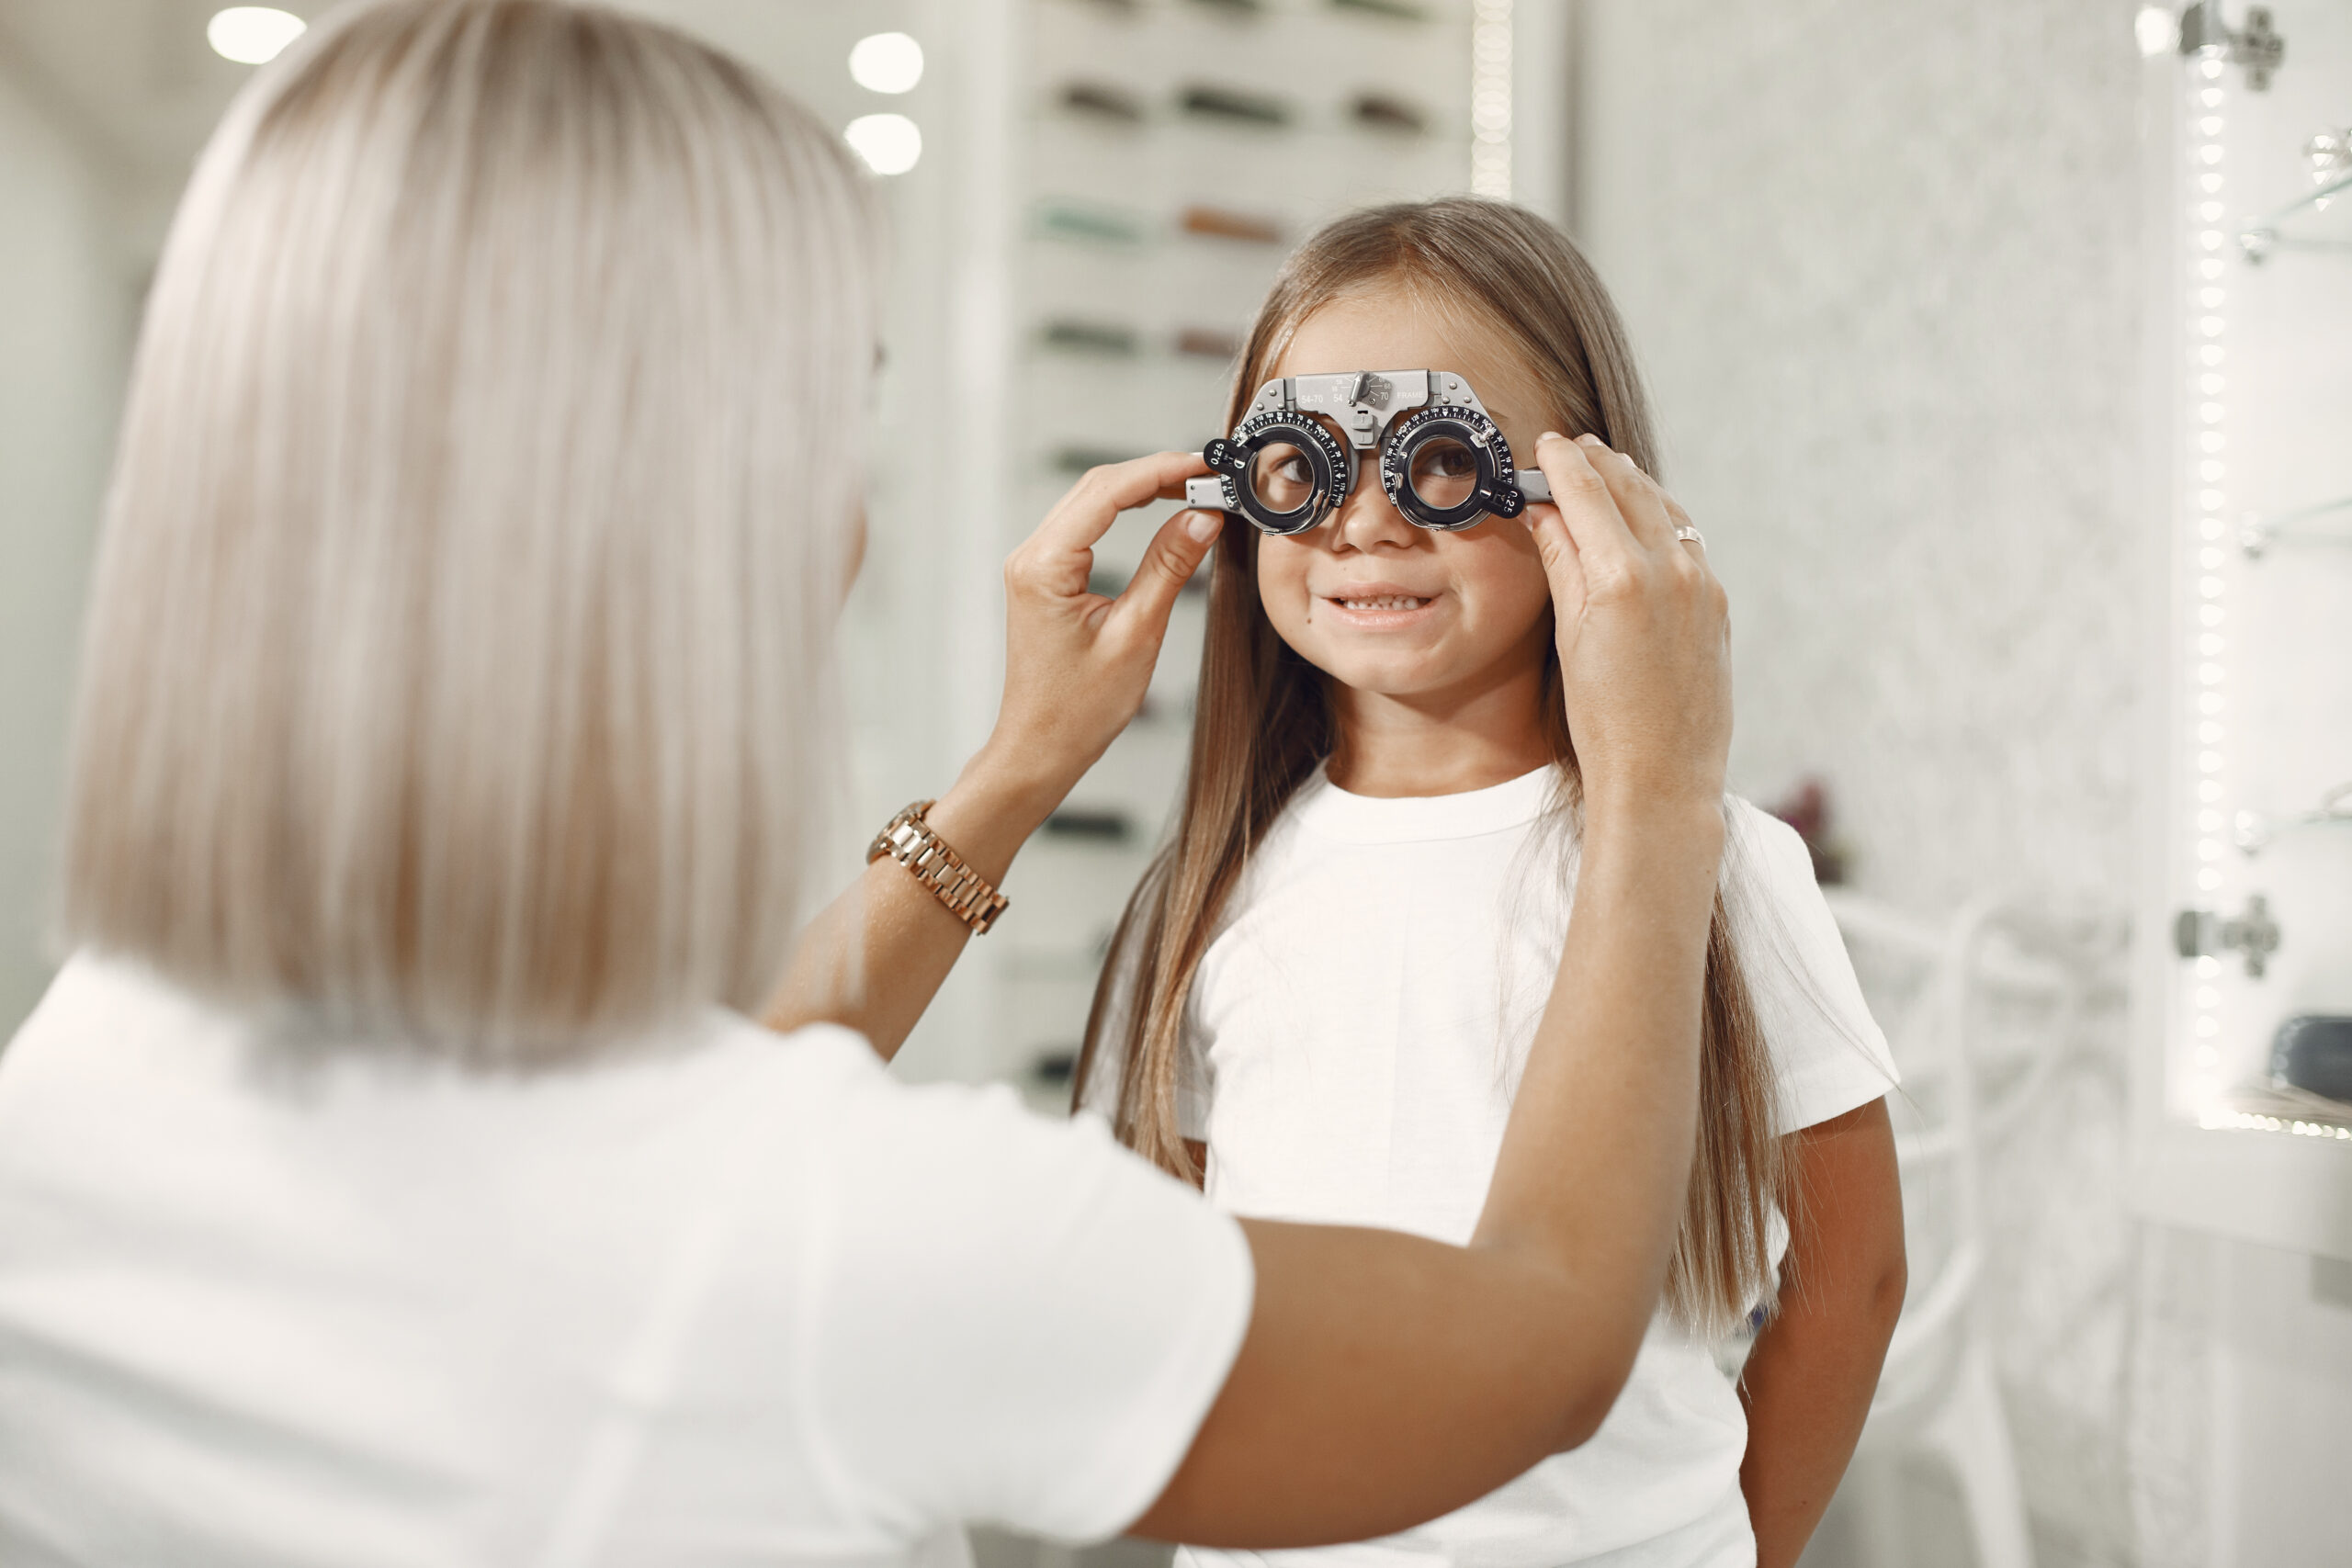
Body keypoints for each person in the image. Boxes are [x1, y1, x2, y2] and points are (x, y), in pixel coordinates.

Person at [1, 5, 1731, 1563]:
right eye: (840, 419)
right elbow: (1542, 1341)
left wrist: (1020, 766)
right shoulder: (823, 1244)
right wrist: (1660, 794)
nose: (855, 520)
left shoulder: (80, 1084)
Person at [1074, 200, 1908, 1568]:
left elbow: (1850, 1274)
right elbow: (1182, 1303)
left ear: (1590, 496)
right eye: (1299, 465)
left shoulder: (1715, 860)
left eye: (1439, 463)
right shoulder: (1209, 891)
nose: (1358, 525)